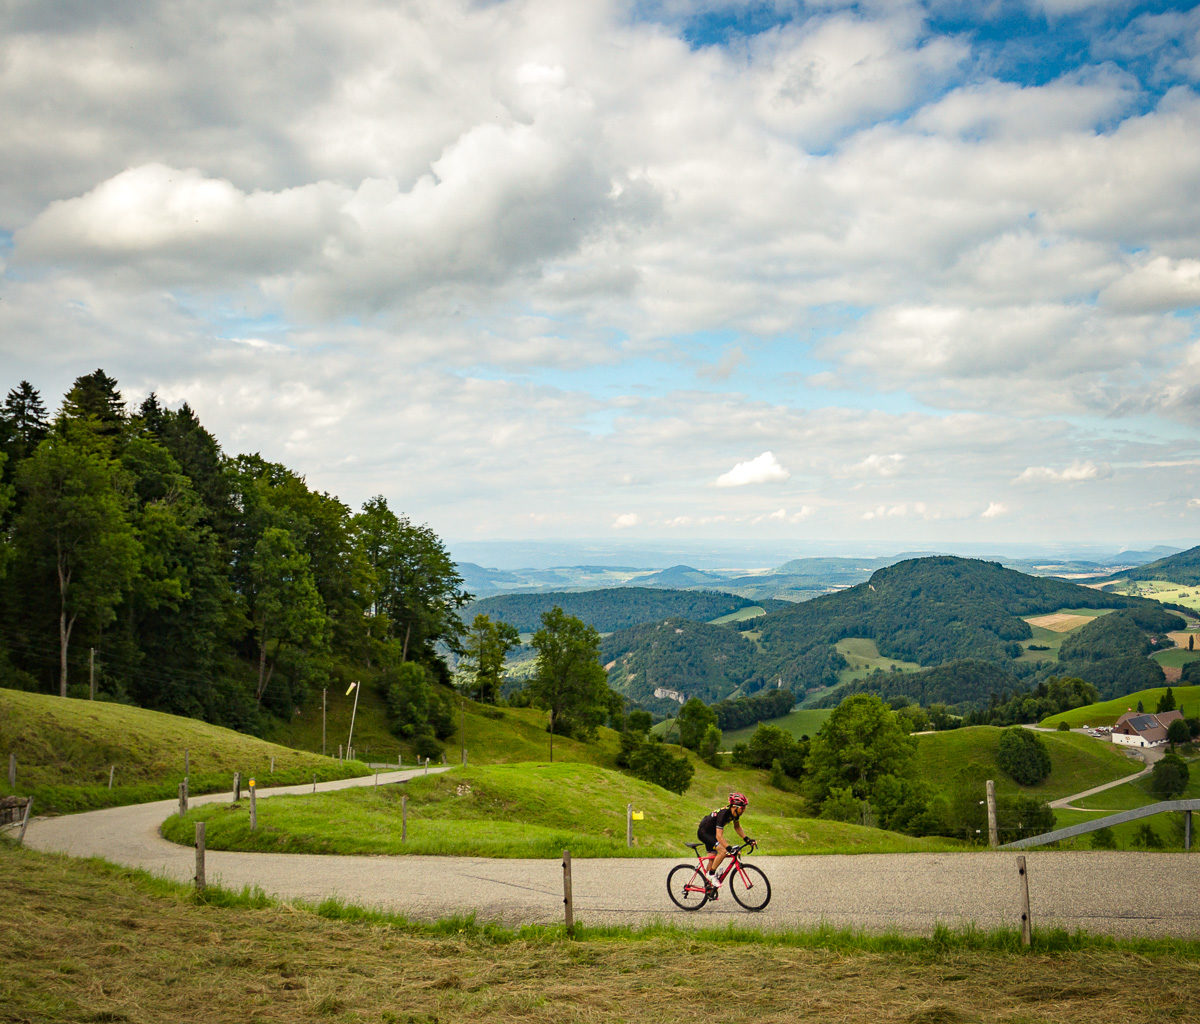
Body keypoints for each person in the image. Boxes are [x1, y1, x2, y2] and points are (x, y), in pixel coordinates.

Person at [697, 792, 753, 897]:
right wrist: (728, 848)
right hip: (704, 833)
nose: (744, 810)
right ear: (735, 807)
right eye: (742, 808)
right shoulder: (723, 814)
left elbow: (737, 827)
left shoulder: (735, 814)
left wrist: (747, 839)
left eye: (744, 808)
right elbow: (719, 836)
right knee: (723, 851)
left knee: (712, 859)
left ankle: (708, 887)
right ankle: (711, 874)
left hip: (711, 833)